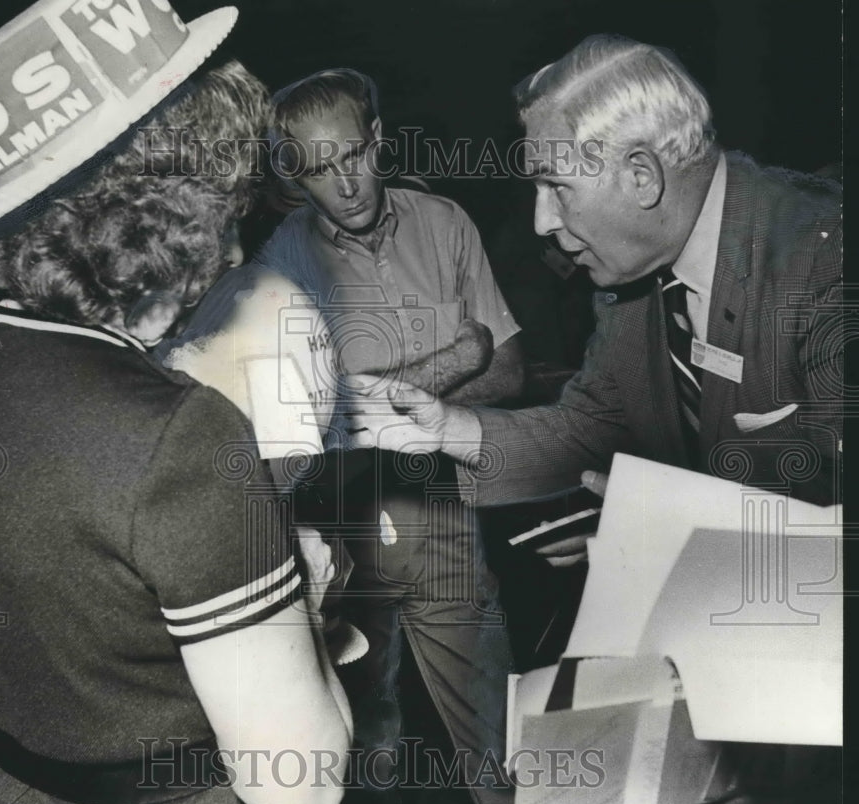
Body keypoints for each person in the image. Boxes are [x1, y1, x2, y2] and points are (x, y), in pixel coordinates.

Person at [0, 0, 350, 804]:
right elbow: (303, 783)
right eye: (232, 200)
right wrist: (307, 601)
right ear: (185, 215)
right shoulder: (176, 435)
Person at [349, 34, 841, 510]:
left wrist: (667, 526)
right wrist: (448, 429)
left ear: (641, 177)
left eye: (557, 187)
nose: (542, 222)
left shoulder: (827, 265)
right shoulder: (630, 278)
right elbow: (593, 428)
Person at [258, 68, 531, 804]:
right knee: (361, 757)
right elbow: (314, 422)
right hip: (342, 533)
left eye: (352, 155)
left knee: (501, 747)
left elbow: (507, 368)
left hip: (444, 518)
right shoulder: (279, 266)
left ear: (378, 140)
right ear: (294, 175)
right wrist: (452, 360)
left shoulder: (445, 223)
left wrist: (380, 394)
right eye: (316, 169)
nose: (343, 183)